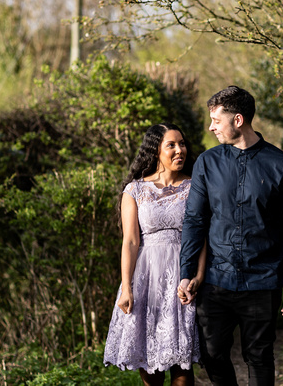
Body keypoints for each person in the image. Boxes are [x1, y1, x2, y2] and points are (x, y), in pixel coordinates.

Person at [178, 86, 283, 386]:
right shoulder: (206, 163)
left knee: (259, 356)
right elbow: (195, 220)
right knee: (212, 354)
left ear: (238, 120)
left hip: (262, 280)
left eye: (215, 120)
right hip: (214, 280)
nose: (210, 127)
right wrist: (187, 272)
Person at [104, 123, 206, 386]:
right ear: (155, 151)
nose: (179, 150)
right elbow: (130, 241)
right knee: (150, 364)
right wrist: (127, 288)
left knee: (182, 365)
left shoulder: (196, 187)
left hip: (183, 279)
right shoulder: (135, 190)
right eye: (171, 144)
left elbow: (202, 237)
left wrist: (199, 276)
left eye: (182, 143)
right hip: (146, 280)